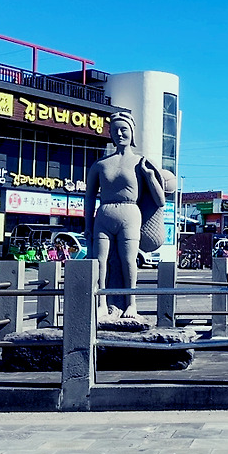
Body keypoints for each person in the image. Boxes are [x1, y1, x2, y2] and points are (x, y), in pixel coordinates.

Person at [85, 109, 168, 319]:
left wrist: (150, 176)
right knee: (100, 261)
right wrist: (87, 225)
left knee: (129, 260)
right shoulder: (100, 164)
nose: (120, 134)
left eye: (124, 129)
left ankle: (131, 303)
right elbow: (89, 197)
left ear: (132, 132)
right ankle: (102, 303)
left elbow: (160, 200)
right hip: (103, 215)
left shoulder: (141, 163)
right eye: (115, 130)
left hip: (130, 213)